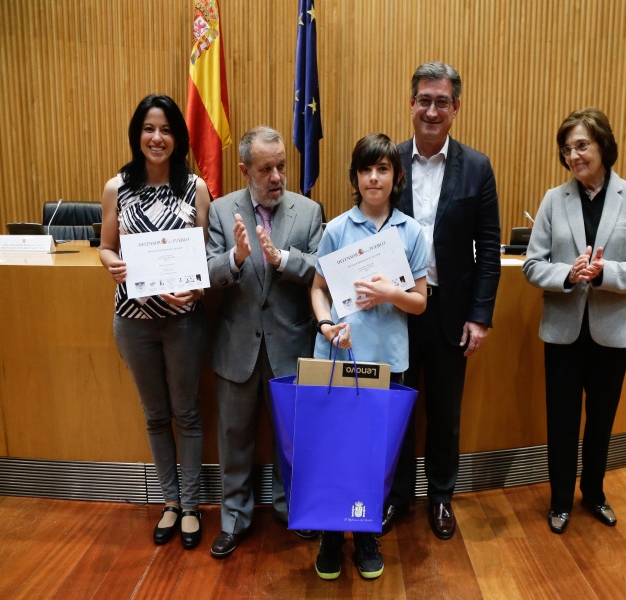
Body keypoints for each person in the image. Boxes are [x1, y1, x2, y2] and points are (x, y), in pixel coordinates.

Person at [383, 62, 501, 540]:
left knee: (446, 413)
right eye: (424, 100)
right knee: (399, 407)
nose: (432, 110)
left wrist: (480, 316)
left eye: (442, 102)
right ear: (411, 104)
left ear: (456, 108)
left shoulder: (477, 166)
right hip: (397, 308)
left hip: (452, 313)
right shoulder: (387, 160)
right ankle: (398, 497)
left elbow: (489, 247)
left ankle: (441, 499)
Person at [522, 108, 626, 534]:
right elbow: (531, 265)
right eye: (567, 149)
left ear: (603, 147)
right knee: (561, 419)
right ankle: (560, 500)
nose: (574, 156)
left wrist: (602, 272)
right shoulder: (552, 199)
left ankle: (594, 494)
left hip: (611, 332)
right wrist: (566, 273)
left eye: (582, 145)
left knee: (601, 420)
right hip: (562, 331)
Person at [309, 132, 428, 580]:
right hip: (339, 358)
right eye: (365, 170)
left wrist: (391, 294)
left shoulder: (411, 232)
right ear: (355, 178)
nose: (373, 178)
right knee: (334, 450)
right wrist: (325, 324)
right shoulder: (337, 228)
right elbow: (318, 290)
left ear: (396, 176)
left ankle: (364, 533)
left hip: (387, 362)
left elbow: (420, 302)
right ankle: (329, 535)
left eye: (383, 169)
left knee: (373, 455)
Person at [99, 94, 210, 550]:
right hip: (134, 321)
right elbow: (105, 246)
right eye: (148, 128)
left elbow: (203, 259)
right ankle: (168, 501)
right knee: (155, 415)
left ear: (178, 137)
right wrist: (112, 263)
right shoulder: (117, 187)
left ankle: (190, 505)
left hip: (183, 320)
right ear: (137, 134)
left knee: (186, 414)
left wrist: (198, 287)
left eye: (165, 129)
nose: (156, 138)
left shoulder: (195, 188)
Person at [206, 126, 323, 559]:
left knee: (292, 440)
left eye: (281, 167)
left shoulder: (309, 212)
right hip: (237, 346)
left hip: (291, 345)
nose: (276, 177)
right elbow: (205, 272)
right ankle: (234, 519)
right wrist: (235, 259)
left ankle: (291, 508)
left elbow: (320, 270)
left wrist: (284, 260)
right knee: (235, 439)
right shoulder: (220, 211)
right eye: (265, 169)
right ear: (244, 170)